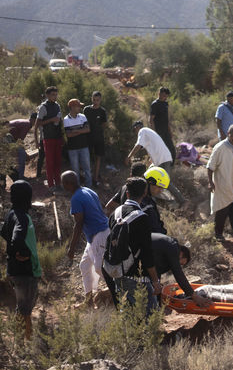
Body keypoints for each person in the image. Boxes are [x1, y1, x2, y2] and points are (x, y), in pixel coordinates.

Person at [102, 177, 161, 313]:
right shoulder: (142, 217)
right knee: (150, 317)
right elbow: (147, 253)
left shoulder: (115, 214)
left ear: (127, 193)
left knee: (128, 317)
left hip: (117, 271)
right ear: (145, 193)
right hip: (136, 276)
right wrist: (155, 280)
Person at [0, 180, 42, 340]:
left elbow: (3, 232)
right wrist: (22, 252)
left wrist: (13, 252)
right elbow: (17, 237)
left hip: (14, 269)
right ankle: (26, 341)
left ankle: (20, 339)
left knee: (22, 306)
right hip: (25, 271)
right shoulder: (22, 217)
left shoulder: (11, 213)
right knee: (25, 309)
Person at [62, 170, 110, 308]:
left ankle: (121, 293)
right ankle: (88, 301)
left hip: (99, 235)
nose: (62, 185)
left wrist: (71, 248)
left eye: (63, 182)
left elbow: (79, 224)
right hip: (98, 234)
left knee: (100, 269)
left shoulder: (76, 198)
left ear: (68, 184)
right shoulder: (87, 190)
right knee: (84, 266)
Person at [126, 121, 184, 203]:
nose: (135, 133)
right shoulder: (148, 133)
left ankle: (181, 201)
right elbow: (152, 153)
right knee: (155, 182)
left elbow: (138, 145)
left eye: (134, 131)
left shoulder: (142, 131)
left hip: (162, 159)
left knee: (165, 183)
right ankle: (162, 201)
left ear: (136, 128)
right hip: (163, 158)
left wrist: (129, 157)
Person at [207, 124, 233, 241]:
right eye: (232, 136)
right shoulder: (220, 148)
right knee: (222, 211)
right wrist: (210, 182)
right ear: (228, 134)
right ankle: (218, 234)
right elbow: (210, 167)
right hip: (222, 185)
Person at [151, 233, 210, 307]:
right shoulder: (172, 247)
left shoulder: (166, 249)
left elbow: (155, 271)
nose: (178, 264)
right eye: (180, 263)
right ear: (181, 254)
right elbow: (178, 274)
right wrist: (195, 297)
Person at [35, 87, 63, 191]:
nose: (55, 96)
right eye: (53, 95)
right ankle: (51, 185)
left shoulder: (57, 106)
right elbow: (38, 123)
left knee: (57, 161)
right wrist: (51, 120)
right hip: (48, 137)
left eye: (56, 94)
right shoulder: (43, 107)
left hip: (57, 136)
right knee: (50, 162)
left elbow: (60, 121)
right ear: (47, 95)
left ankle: (58, 183)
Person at [63, 99, 92, 188]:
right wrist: (81, 130)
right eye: (78, 106)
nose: (80, 108)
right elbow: (68, 135)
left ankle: (88, 186)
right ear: (72, 107)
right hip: (73, 149)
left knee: (87, 168)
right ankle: (77, 187)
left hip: (84, 147)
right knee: (75, 170)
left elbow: (88, 129)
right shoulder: (66, 119)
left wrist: (76, 131)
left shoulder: (82, 117)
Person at [83, 91, 107, 186]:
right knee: (86, 158)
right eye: (94, 99)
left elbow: (104, 124)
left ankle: (95, 178)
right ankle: (88, 177)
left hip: (99, 138)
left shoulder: (102, 111)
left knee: (98, 157)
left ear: (100, 100)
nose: (95, 101)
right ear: (91, 98)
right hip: (87, 138)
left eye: (97, 100)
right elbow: (83, 122)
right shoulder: (86, 110)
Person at [8, 114, 37, 180]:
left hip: (8, 138)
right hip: (6, 138)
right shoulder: (27, 124)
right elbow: (20, 140)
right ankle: (20, 177)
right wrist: (25, 153)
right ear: (33, 120)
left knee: (19, 154)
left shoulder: (26, 122)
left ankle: (18, 176)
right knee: (22, 154)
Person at [150, 86, 176, 160]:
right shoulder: (155, 104)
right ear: (159, 94)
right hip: (158, 131)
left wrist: (170, 131)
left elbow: (166, 119)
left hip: (166, 131)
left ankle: (171, 166)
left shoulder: (165, 104)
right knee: (159, 149)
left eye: (166, 96)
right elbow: (151, 119)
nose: (165, 97)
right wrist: (154, 132)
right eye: (163, 95)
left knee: (171, 149)